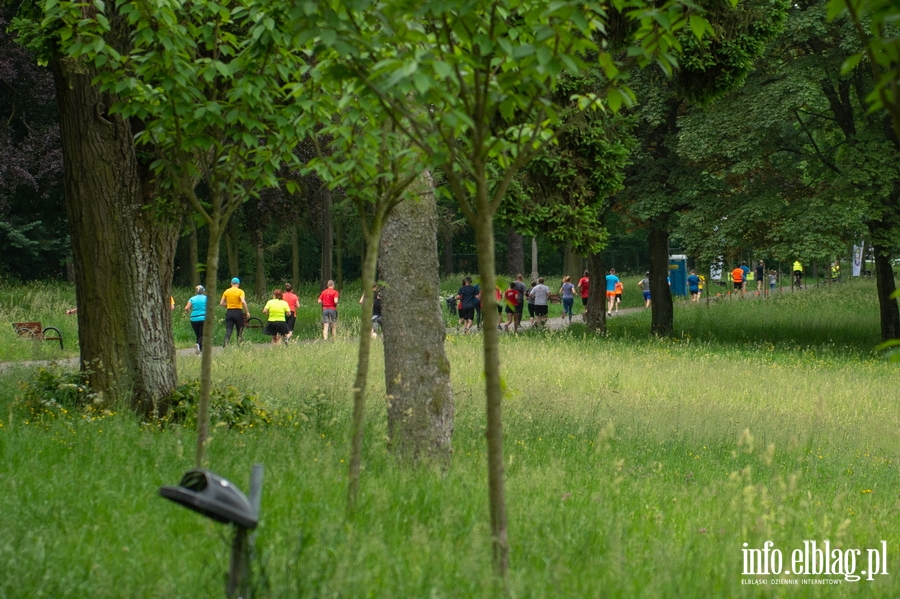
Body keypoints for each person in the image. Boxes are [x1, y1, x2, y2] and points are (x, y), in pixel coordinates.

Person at [220, 277, 249, 346]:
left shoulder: (226, 291)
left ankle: (226, 341)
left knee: (229, 329)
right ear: (238, 284)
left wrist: (228, 305)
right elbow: (243, 302)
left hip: (229, 312)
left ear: (231, 284)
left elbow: (221, 303)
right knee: (240, 329)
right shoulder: (240, 291)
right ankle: (240, 343)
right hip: (238, 312)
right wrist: (247, 312)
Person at [184, 285, 207, 354]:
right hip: (204, 318)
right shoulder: (206, 298)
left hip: (194, 319)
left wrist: (188, 311)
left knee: (198, 335)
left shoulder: (192, 299)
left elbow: (186, 308)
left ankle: (199, 351)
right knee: (203, 335)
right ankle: (198, 345)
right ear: (203, 291)